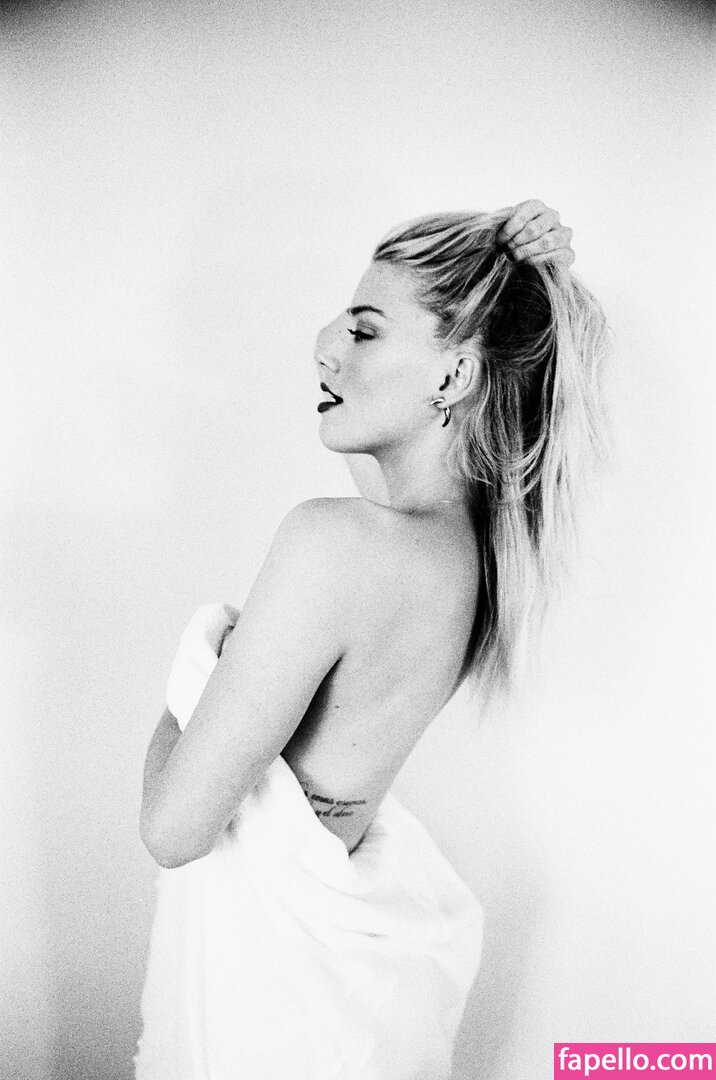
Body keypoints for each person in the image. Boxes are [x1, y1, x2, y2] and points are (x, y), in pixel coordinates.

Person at [135, 200, 607, 1079]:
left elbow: (173, 830)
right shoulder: (470, 559)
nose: (325, 349)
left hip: (272, 1014)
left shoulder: (335, 542)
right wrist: (516, 264)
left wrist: (193, 684)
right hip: (344, 1010)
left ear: (455, 374)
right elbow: (381, 455)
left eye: (364, 330)